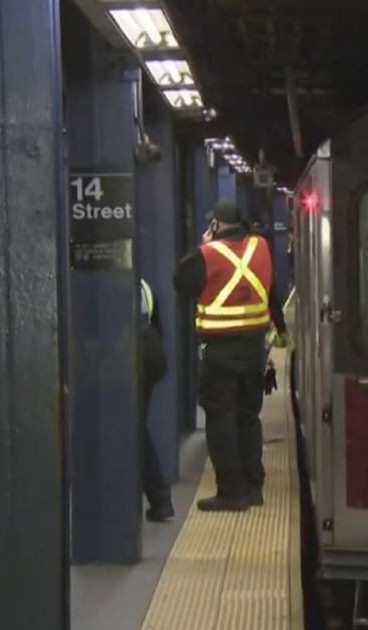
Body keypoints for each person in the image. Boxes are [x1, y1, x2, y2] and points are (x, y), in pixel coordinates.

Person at [173, 200, 279, 512]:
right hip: (254, 348)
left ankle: (232, 491)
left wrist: (204, 245)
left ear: (216, 225)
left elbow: (181, 281)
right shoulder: (260, 246)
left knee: (221, 418)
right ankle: (253, 486)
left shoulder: (207, 255)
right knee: (248, 416)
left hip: (221, 350)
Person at [137, 279, 174, 522]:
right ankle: (159, 499)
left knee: (132, 431)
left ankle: (160, 499)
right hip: (150, 352)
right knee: (135, 429)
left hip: (134, 351)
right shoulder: (144, 286)